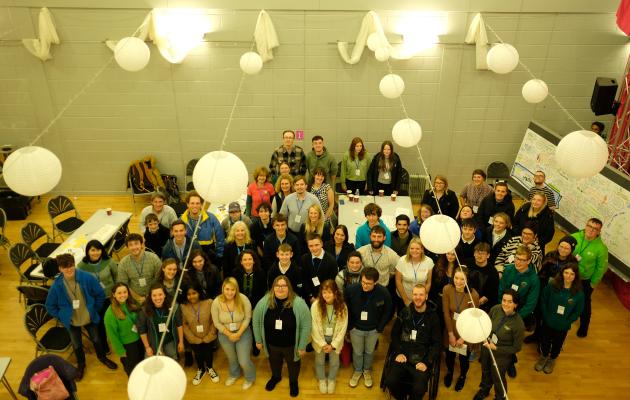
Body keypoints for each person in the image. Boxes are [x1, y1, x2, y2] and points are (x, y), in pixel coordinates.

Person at [45, 254, 117, 380]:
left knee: (96, 339)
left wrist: (96, 309)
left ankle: (102, 358)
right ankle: (81, 365)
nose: (69, 269)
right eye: (65, 267)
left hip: (89, 317)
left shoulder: (87, 278)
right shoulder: (56, 286)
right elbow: (50, 306)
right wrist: (61, 317)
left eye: (71, 266)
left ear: (74, 264)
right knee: (76, 344)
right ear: (60, 269)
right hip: (72, 321)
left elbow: (100, 294)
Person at [253, 275, 312, 397]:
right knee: (274, 361)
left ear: (289, 288)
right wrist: (258, 340)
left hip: (291, 345)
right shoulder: (264, 302)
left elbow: (306, 326)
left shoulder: (299, 303)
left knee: (293, 364)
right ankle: (276, 377)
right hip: (271, 343)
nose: (280, 288)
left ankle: (293, 382)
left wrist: (302, 346)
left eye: (283, 285)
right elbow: (256, 321)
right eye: (277, 285)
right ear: (273, 287)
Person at [384, 284, 441, 400]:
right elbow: (394, 334)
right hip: (403, 355)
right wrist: (398, 352)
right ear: (412, 296)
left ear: (426, 296)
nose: (418, 297)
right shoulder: (405, 312)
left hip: (421, 358)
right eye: (415, 294)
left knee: (419, 388)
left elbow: (437, 343)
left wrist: (426, 362)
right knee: (390, 381)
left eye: (421, 294)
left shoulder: (433, 317)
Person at [345, 267, 393, 388]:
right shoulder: (351, 290)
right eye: (363, 282)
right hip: (356, 329)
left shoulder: (384, 293)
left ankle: (366, 370)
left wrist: (380, 327)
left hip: (373, 330)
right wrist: (350, 326)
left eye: (368, 284)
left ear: (376, 282)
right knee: (357, 352)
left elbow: (388, 311)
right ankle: (357, 371)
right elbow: (345, 308)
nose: (365, 286)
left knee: (369, 351)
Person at [473, 289, 525, 400]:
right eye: (504, 300)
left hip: (501, 353)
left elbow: (517, 347)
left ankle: (500, 396)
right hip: (487, 346)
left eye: (510, 302)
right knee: (485, 370)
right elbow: (487, 324)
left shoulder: (518, 324)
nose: (505, 304)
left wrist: (496, 347)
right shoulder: (495, 309)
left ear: (515, 304)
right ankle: (485, 389)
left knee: (497, 376)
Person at [498, 245, 540, 378]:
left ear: (528, 261)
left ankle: (510, 362)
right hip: (503, 309)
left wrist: (516, 316)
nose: (518, 262)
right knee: (499, 333)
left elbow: (531, 304)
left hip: (519, 315)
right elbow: (501, 290)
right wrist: (503, 307)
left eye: (522, 260)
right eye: (517, 258)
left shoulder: (533, 279)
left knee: (512, 340)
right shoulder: (508, 269)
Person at [526, 236, 578, 344]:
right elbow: (542, 272)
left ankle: (545, 340)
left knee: (549, 316)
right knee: (539, 313)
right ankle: (536, 334)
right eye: (561, 246)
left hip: (559, 293)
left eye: (566, 248)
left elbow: (571, 279)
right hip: (544, 289)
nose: (563, 250)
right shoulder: (550, 255)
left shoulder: (573, 262)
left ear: (571, 250)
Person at [535, 263, 584, 374]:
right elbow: (543, 299)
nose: (568, 276)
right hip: (548, 321)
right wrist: (546, 315)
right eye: (566, 272)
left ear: (576, 276)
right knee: (545, 341)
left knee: (558, 343)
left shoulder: (579, 293)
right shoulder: (552, 285)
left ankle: (552, 360)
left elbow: (578, 311)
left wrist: (568, 321)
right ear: (562, 273)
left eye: (572, 274)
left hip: (563, 325)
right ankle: (543, 357)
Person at [211, 277, 256, 389]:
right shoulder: (216, 302)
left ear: (236, 290)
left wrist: (239, 333)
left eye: (232, 289)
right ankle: (234, 374)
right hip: (225, 334)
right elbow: (216, 322)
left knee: (243, 360)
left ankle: (249, 378)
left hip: (243, 332)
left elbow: (248, 318)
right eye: (227, 289)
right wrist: (229, 334)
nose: (230, 292)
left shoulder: (243, 299)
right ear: (223, 289)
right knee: (231, 358)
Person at [77, 239, 118, 354]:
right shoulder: (81, 267)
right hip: (96, 301)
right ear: (88, 251)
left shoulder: (109, 261)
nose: (96, 253)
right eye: (93, 250)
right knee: (99, 325)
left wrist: (117, 294)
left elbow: (116, 277)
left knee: (113, 320)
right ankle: (104, 347)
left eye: (98, 250)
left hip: (110, 298)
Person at [442, 267, 479, 392]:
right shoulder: (447, 289)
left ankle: (462, 376)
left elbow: (474, 319)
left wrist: (463, 337)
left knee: (463, 359)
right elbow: (446, 313)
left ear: (467, 280)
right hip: (450, 328)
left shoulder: (473, 295)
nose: (458, 282)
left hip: (466, 331)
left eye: (462, 279)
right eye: (456, 278)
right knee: (450, 355)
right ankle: (450, 372)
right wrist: (451, 334)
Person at [571, 218, 608, 338]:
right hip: (568, 276)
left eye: (595, 229)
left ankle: (584, 327)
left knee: (585, 304)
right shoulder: (574, 237)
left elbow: (600, 268)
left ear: (599, 231)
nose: (591, 230)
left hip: (585, 280)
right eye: (590, 226)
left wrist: (593, 284)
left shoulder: (601, 248)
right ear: (585, 226)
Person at [311, 280, 349, 394]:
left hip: (335, 339)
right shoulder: (315, 305)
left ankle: (331, 379)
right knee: (319, 361)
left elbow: (343, 327)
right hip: (320, 340)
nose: (326, 295)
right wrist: (322, 344)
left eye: (329, 292)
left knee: (334, 362)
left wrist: (333, 345)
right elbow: (314, 327)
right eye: (324, 292)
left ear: (336, 293)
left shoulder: (342, 306)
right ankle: (322, 379)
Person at [181, 283, 219, 385]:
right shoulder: (183, 307)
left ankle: (210, 368)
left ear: (199, 292)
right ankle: (201, 369)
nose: (191, 296)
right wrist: (193, 339)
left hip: (208, 336)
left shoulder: (209, 303)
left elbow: (214, 320)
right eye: (189, 294)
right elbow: (184, 325)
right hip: (194, 338)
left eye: (194, 293)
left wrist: (209, 335)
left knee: (208, 353)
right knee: (198, 354)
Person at [104, 283, 144, 376]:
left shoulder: (132, 304)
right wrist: (120, 351)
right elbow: (112, 335)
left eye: (125, 292)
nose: (123, 295)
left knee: (141, 364)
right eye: (119, 293)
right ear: (114, 295)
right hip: (127, 346)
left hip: (139, 340)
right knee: (132, 369)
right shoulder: (110, 314)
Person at [232, 250, 267, 356]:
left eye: (250, 259)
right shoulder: (235, 273)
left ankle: (255, 344)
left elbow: (263, 291)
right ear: (241, 262)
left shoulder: (261, 273)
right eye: (245, 259)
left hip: (256, 305)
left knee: (254, 326)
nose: (247, 262)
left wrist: (257, 307)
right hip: (239, 305)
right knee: (242, 326)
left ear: (254, 261)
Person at [136, 283, 184, 360]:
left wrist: (181, 342)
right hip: (153, 342)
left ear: (164, 295)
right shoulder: (144, 311)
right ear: (150, 297)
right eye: (154, 295)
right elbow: (142, 331)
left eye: (160, 294)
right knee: (153, 363)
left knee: (173, 358)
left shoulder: (173, 307)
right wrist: (147, 347)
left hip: (169, 340)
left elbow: (179, 324)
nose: (157, 298)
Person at [117, 233, 162, 304]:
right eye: (130, 245)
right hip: (134, 298)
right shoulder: (123, 264)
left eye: (136, 243)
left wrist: (151, 295)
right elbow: (124, 285)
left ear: (141, 245)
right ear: (127, 247)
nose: (134, 247)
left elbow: (159, 279)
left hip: (154, 296)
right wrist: (138, 298)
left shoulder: (154, 258)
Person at [180, 191, 225, 262]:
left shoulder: (211, 218)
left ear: (201, 204)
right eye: (192, 203)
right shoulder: (181, 220)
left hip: (208, 256)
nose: (195, 206)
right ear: (187, 204)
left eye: (197, 203)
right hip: (189, 256)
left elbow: (220, 238)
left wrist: (219, 256)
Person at [395, 237, 434, 307]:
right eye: (412, 248)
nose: (414, 251)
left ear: (422, 250)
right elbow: (398, 281)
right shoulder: (402, 261)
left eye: (417, 249)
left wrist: (423, 297)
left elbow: (428, 282)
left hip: (420, 299)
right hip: (404, 297)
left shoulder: (429, 262)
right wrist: (405, 300)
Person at [301, 233, 339, 304]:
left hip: (326, 298)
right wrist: (310, 297)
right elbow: (304, 280)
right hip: (309, 298)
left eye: (316, 245)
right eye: (311, 246)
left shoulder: (331, 261)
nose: (314, 248)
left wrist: (321, 298)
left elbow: (331, 282)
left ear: (322, 244)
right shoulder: (304, 259)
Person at [468, 242, 500, 312]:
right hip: (467, 298)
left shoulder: (493, 272)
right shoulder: (468, 264)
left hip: (483, 305)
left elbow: (490, 294)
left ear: (488, 255)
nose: (479, 256)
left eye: (482, 253)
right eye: (477, 253)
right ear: (474, 253)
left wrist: (476, 304)